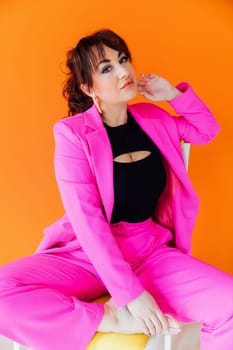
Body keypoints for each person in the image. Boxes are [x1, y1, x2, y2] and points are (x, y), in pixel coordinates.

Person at [0, 28, 232, 350]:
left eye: (123, 60)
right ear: (88, 87)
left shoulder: (155, 119)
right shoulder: (72, 134)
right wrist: (127, 300)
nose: (124, 71)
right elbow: (88, 220)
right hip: (86, 255)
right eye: (106, 68)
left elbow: (206, 130)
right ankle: (107, 319)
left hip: (150, 252)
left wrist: (171, 95)